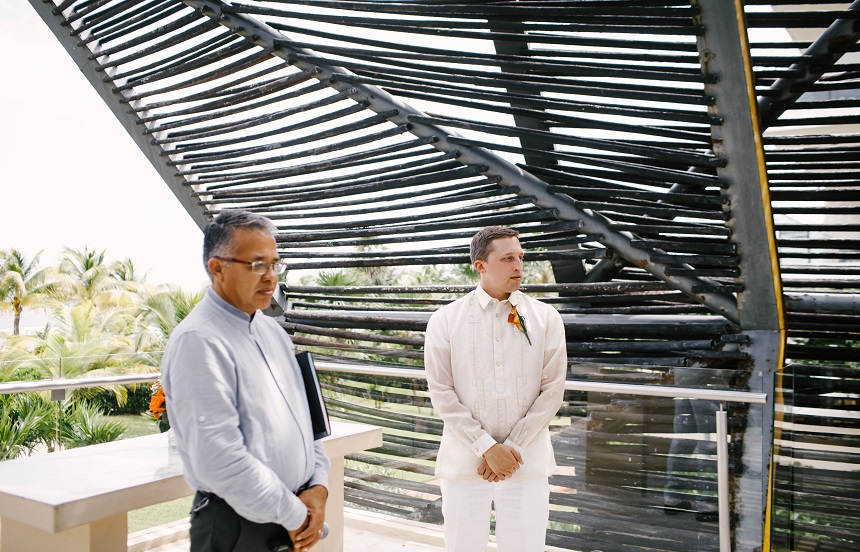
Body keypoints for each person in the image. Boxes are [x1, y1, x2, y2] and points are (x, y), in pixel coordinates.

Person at [162, 210, 330, 552]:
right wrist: (298, 515)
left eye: (275, 264)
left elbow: (307, 422)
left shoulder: (273, 332)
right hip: (236, 529)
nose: (271, 277)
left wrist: (318, 487)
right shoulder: (199, 342)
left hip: (288, 518)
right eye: (257, 265)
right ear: (217, 268)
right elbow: (220, 461)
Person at [424, 226, 567, 552]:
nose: (518, 266)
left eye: (520, 257)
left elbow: (553, 390)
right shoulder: (445, 319)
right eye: (507, 258)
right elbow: (441, 392)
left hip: (527, 463)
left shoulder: (546, 317)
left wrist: (511, 449)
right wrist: (487, 447)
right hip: (464, 462)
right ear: (481, 265)